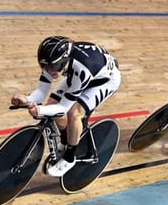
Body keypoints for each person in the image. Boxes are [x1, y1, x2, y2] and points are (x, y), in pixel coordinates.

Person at [11, 36, 121, 177]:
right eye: (44, 66)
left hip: (104, 81)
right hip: (80, 72)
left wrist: (39, 110)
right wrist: (26, 100)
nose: (48, 71)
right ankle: (65, 140)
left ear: (63, 60)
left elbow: (63, 107)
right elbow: (41, 92)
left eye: (52, 67)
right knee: (51, 105)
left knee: (74, 113)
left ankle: (70, 157)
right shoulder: (52, 61)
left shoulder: (81, 69)